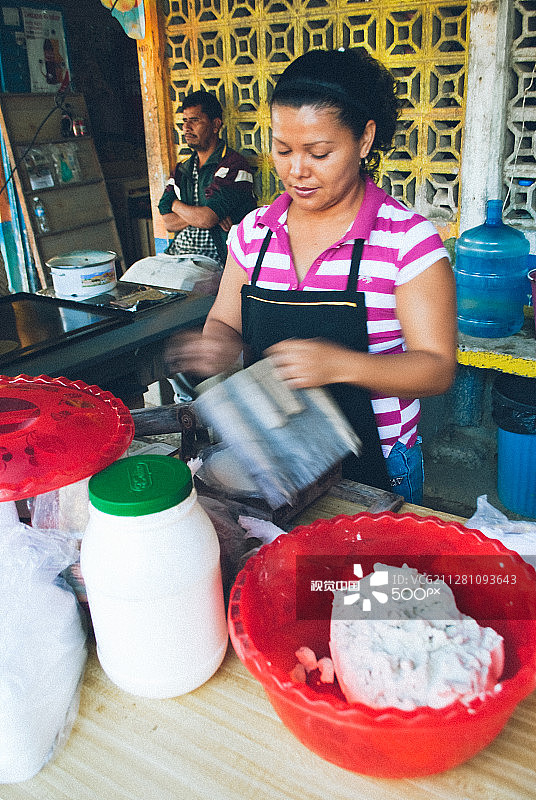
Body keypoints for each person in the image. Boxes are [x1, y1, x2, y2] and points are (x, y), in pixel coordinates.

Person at [166, 48, 457, 503]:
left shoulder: (407, 242)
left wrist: (342, 364)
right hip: (273, 457)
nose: (296, 170)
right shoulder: (253, 233)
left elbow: (437, 370)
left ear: (364, 140)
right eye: (283, 150)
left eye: (319, 153)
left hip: (376, 467)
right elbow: (223, 323)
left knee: (372, 575)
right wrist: (218, 346)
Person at [158, 90, 257, 267]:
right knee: (137, 276)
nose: (187, 128)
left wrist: (179, 207)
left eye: (195, 120)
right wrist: (203, 215)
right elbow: (168, 222)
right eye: (185, 121)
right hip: (178, 253)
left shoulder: (234, 165)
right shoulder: (183, 168)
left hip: (216, 259)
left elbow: (206, 219)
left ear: (215, 125)